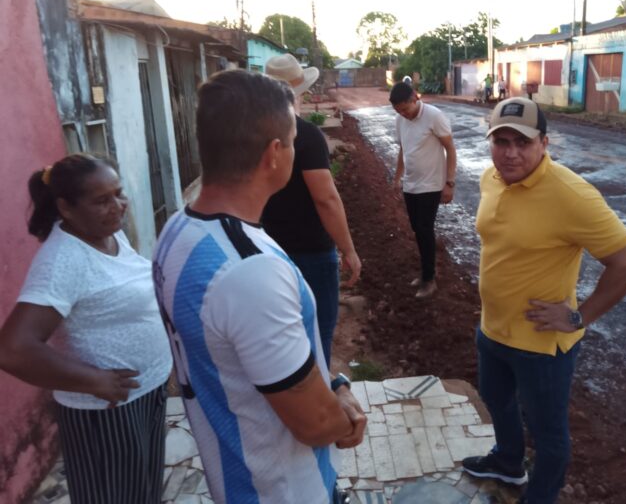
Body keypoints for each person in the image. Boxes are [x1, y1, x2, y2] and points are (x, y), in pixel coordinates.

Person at [153, 70, 366, 504]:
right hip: (283, 489)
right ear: (274, 153)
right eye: (291, 138)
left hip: (234, 479)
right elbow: (313, 424)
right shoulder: (249, 272)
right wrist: (346, 417)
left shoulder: (177, 231)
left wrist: (334, 380)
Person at [462, 98, 626, 504]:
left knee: (549, 435)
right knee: (496, 399)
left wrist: (580, 318)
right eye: (501, 141)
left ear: (544, 143)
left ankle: (539, 497)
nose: (510, 153)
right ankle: (508, 463)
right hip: (493, 328)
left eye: (522, 142)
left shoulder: (570, 193)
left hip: (541, 345)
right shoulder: (492, 178)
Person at [0, 153, 173, 504]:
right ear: (65, 207)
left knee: (142, 494)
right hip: (106, 414)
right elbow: (13, 348)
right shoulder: (63, 261)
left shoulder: (109, 234)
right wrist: (94, 380)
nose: (118, 206)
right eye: (101, 201)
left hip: (143, 394)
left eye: (118, 193)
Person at [262, 53, 361, 367]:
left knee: (278, 336)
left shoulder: (252, 134)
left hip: (266, 249)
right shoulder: (305, 135)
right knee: (316, 334)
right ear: (298, 91)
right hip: (310, 253)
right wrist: (348, 249)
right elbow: (326, 199)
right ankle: (321, 406)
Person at [389, 81, 457, 298]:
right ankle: (426, 271)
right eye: (398, 111)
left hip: (431, 185)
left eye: (405, 109)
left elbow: (450, 148)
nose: (403, 114)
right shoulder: (400, 119)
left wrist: (449, 182)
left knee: (425, 230)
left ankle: (429, 279)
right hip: (411, 184)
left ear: (415, 99)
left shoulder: (434, 116)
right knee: (417, 229)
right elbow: (403, 149)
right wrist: (398, 176)